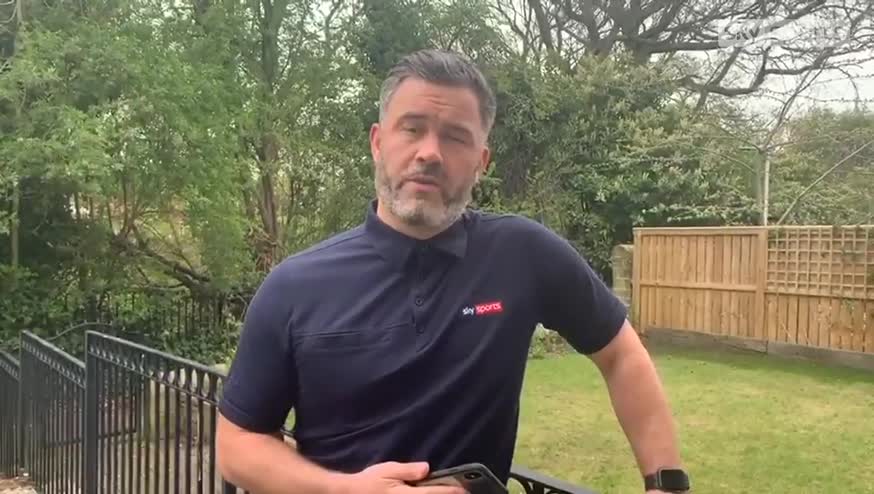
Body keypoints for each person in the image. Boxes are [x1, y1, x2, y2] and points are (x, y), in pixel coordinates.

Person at [215, 48, 690, 494]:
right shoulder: (295, 286)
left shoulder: (523, 254)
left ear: (481, 162)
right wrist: (346, 489)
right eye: (412, 128)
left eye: (456, 136)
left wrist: (665, 485)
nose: (430, 152)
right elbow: (237, 444)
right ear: (378, 143)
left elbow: (621, 355)